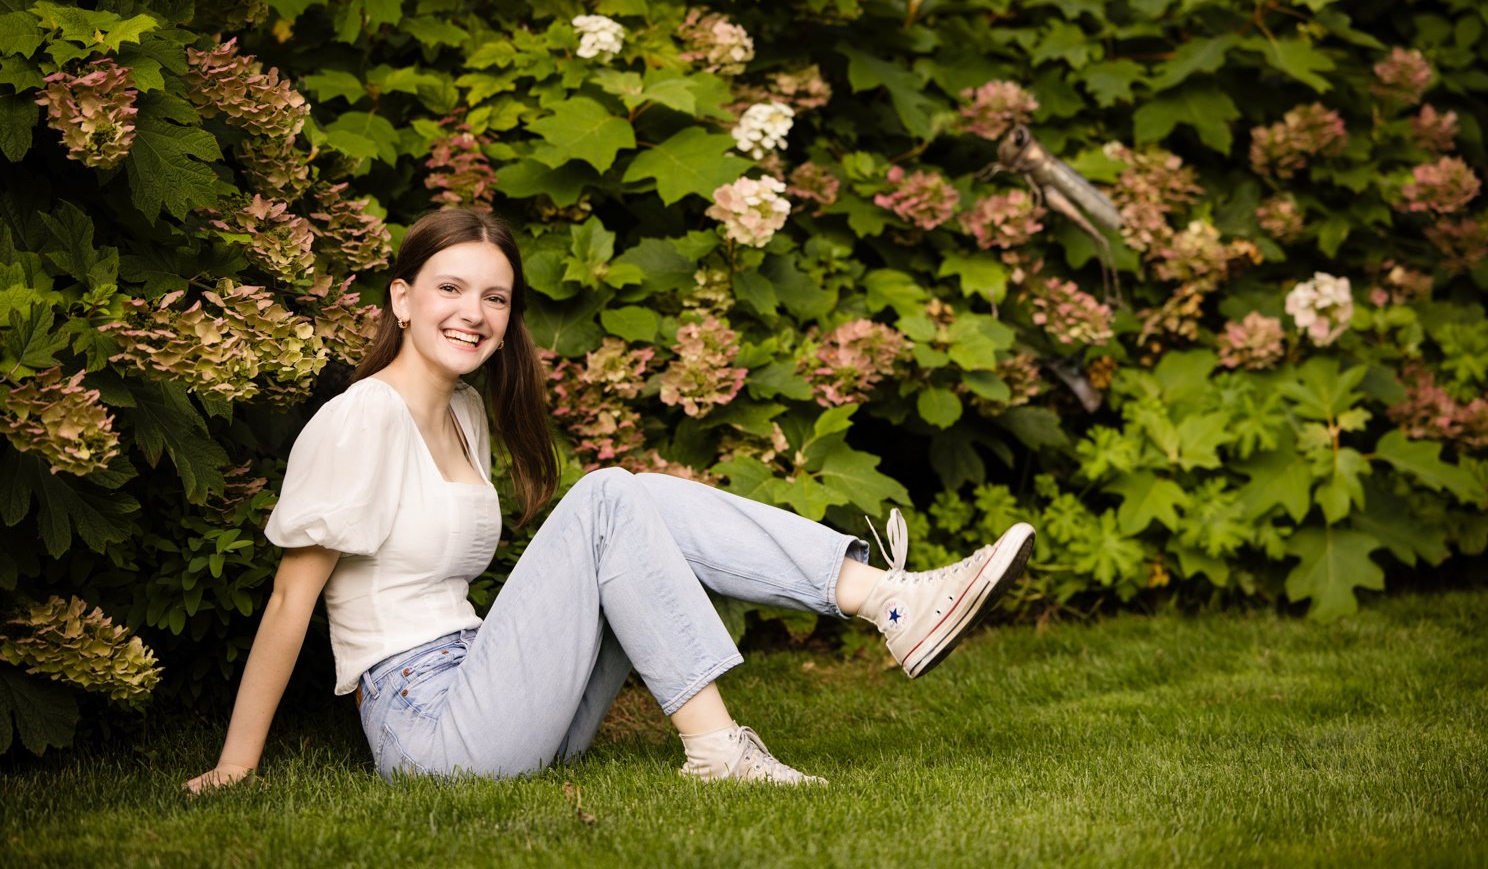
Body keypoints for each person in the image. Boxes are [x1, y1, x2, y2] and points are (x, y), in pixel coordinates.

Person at [184, 208, 1034, 791]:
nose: (474, 313)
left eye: (495, 297)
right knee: (607, 499)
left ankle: (889, 600)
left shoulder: (468, 414)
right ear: (401, 299)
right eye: (449, 288)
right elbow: (293, 598)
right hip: (428, 725)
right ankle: (723, 745)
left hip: (494, 694)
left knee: (633, 498)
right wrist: (237, 765)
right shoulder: (360, 416)